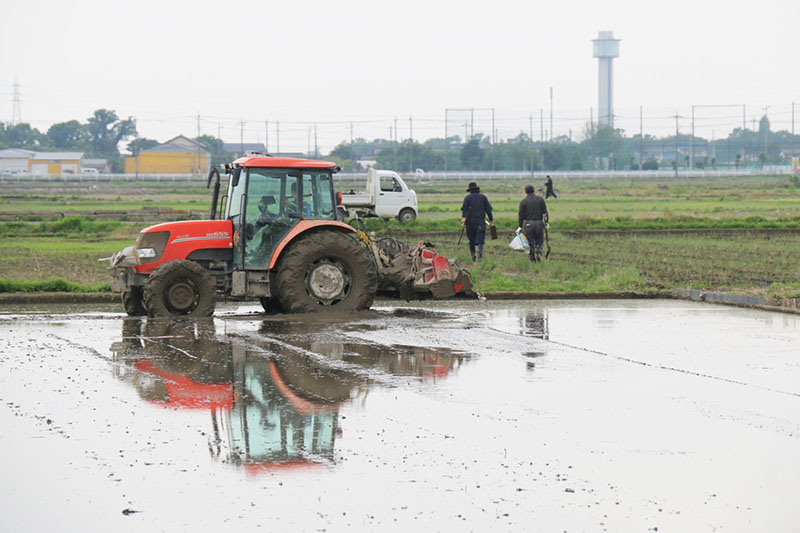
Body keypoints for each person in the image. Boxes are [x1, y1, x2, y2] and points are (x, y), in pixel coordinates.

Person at [461, 181, 494, 261]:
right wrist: (491, 220)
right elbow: (488, 210)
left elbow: (464, 211)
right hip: (480, 222)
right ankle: (479, 257)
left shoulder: (467, 198)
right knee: (480, 240)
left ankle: (473, 257)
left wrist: (463, 222)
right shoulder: (483, 197)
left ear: (470, 190)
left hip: (470, 223)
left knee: (471, 240)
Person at [518, 183, 548, 262]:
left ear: (525, 192)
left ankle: (532, 259)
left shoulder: (523, 202)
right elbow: (545, 213)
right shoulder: (540, 200)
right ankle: (539, 250)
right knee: (540, 240)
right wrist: (546, 223)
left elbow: (521, 215)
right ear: (534, 191)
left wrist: (519, 226)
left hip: (528, 224)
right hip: (539, 223)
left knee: (530, 242)